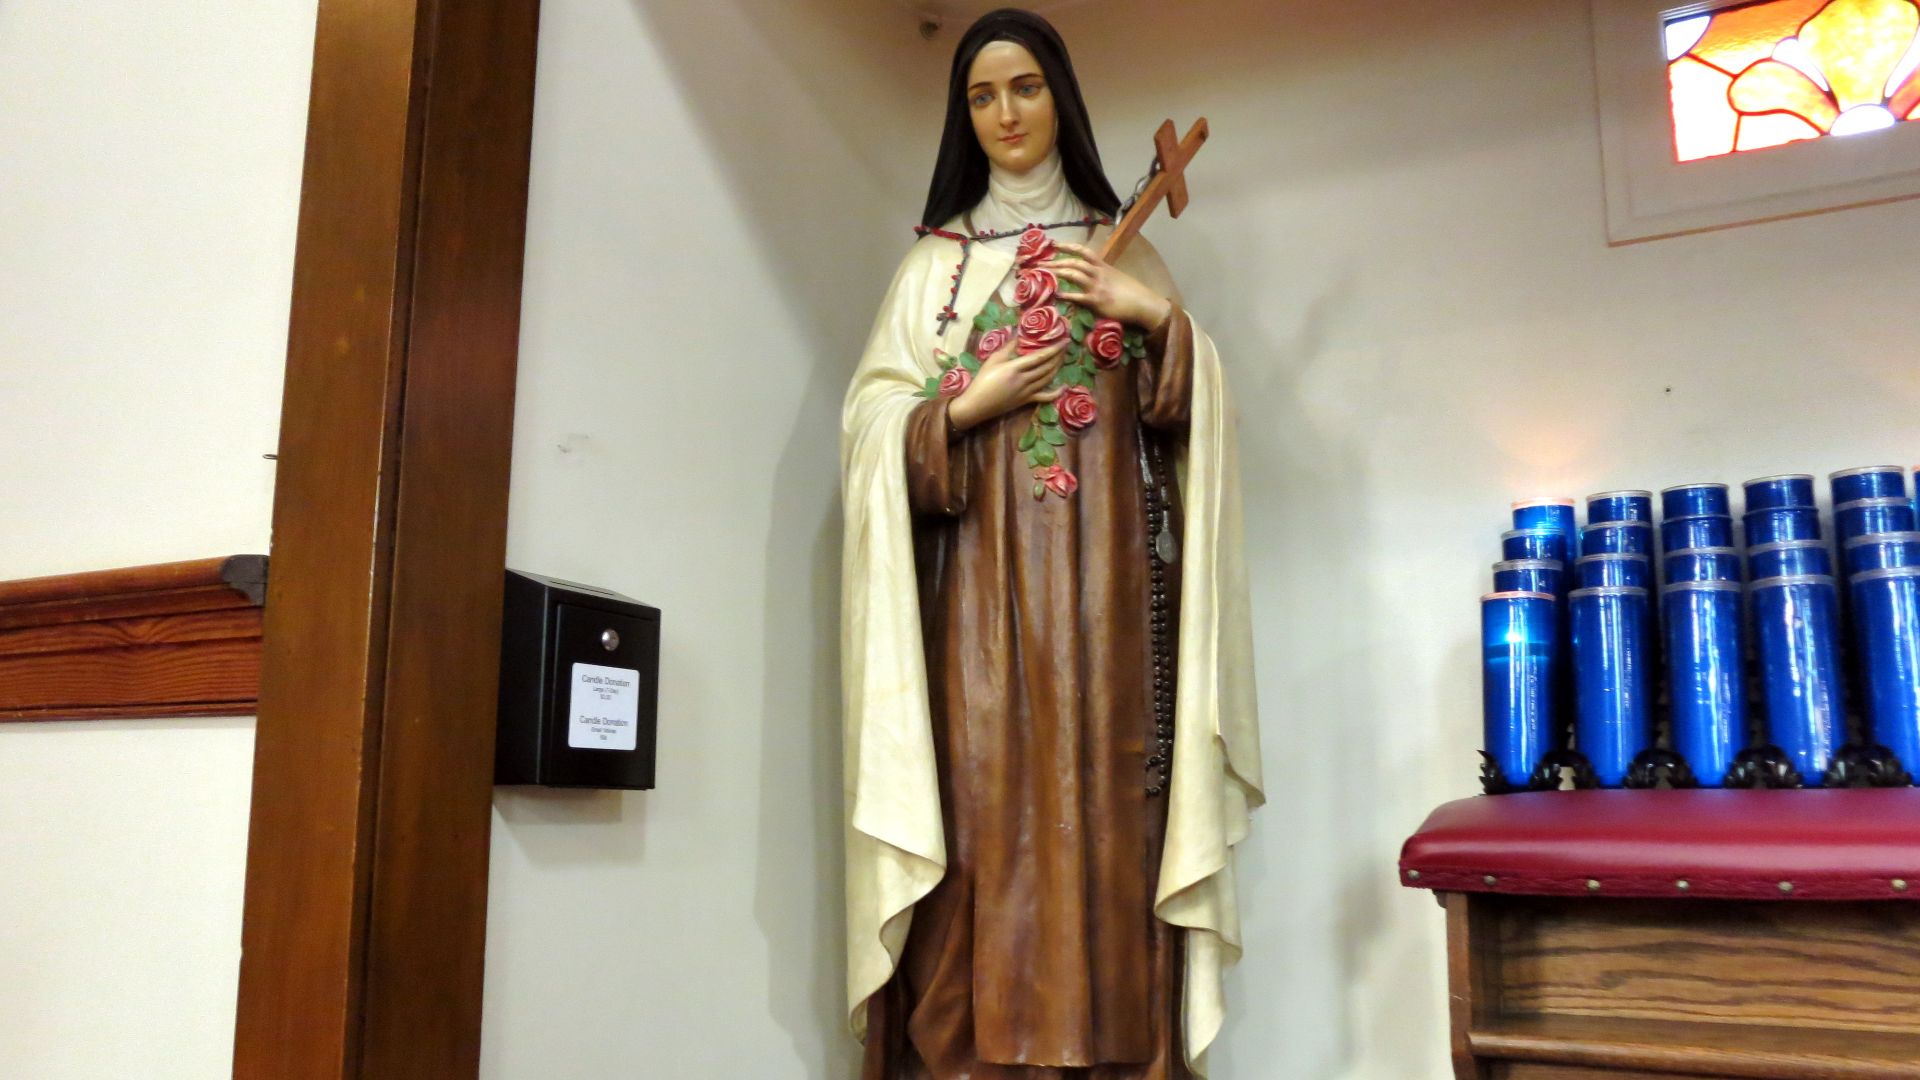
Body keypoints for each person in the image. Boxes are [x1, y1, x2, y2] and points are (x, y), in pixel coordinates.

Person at [840, 10, 1261, 1077]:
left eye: (1024, 87)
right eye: (982, 96)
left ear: (1059, 99)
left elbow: (1193, 428)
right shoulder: (931, 271)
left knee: (1113, 815)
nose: (1006, 114)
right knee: (982, 814)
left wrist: (1154, 319)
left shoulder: (1128, 249)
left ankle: (1116, 1054)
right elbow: (870, 430)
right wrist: (968, 404)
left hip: (1114, 601)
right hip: (976, 603)